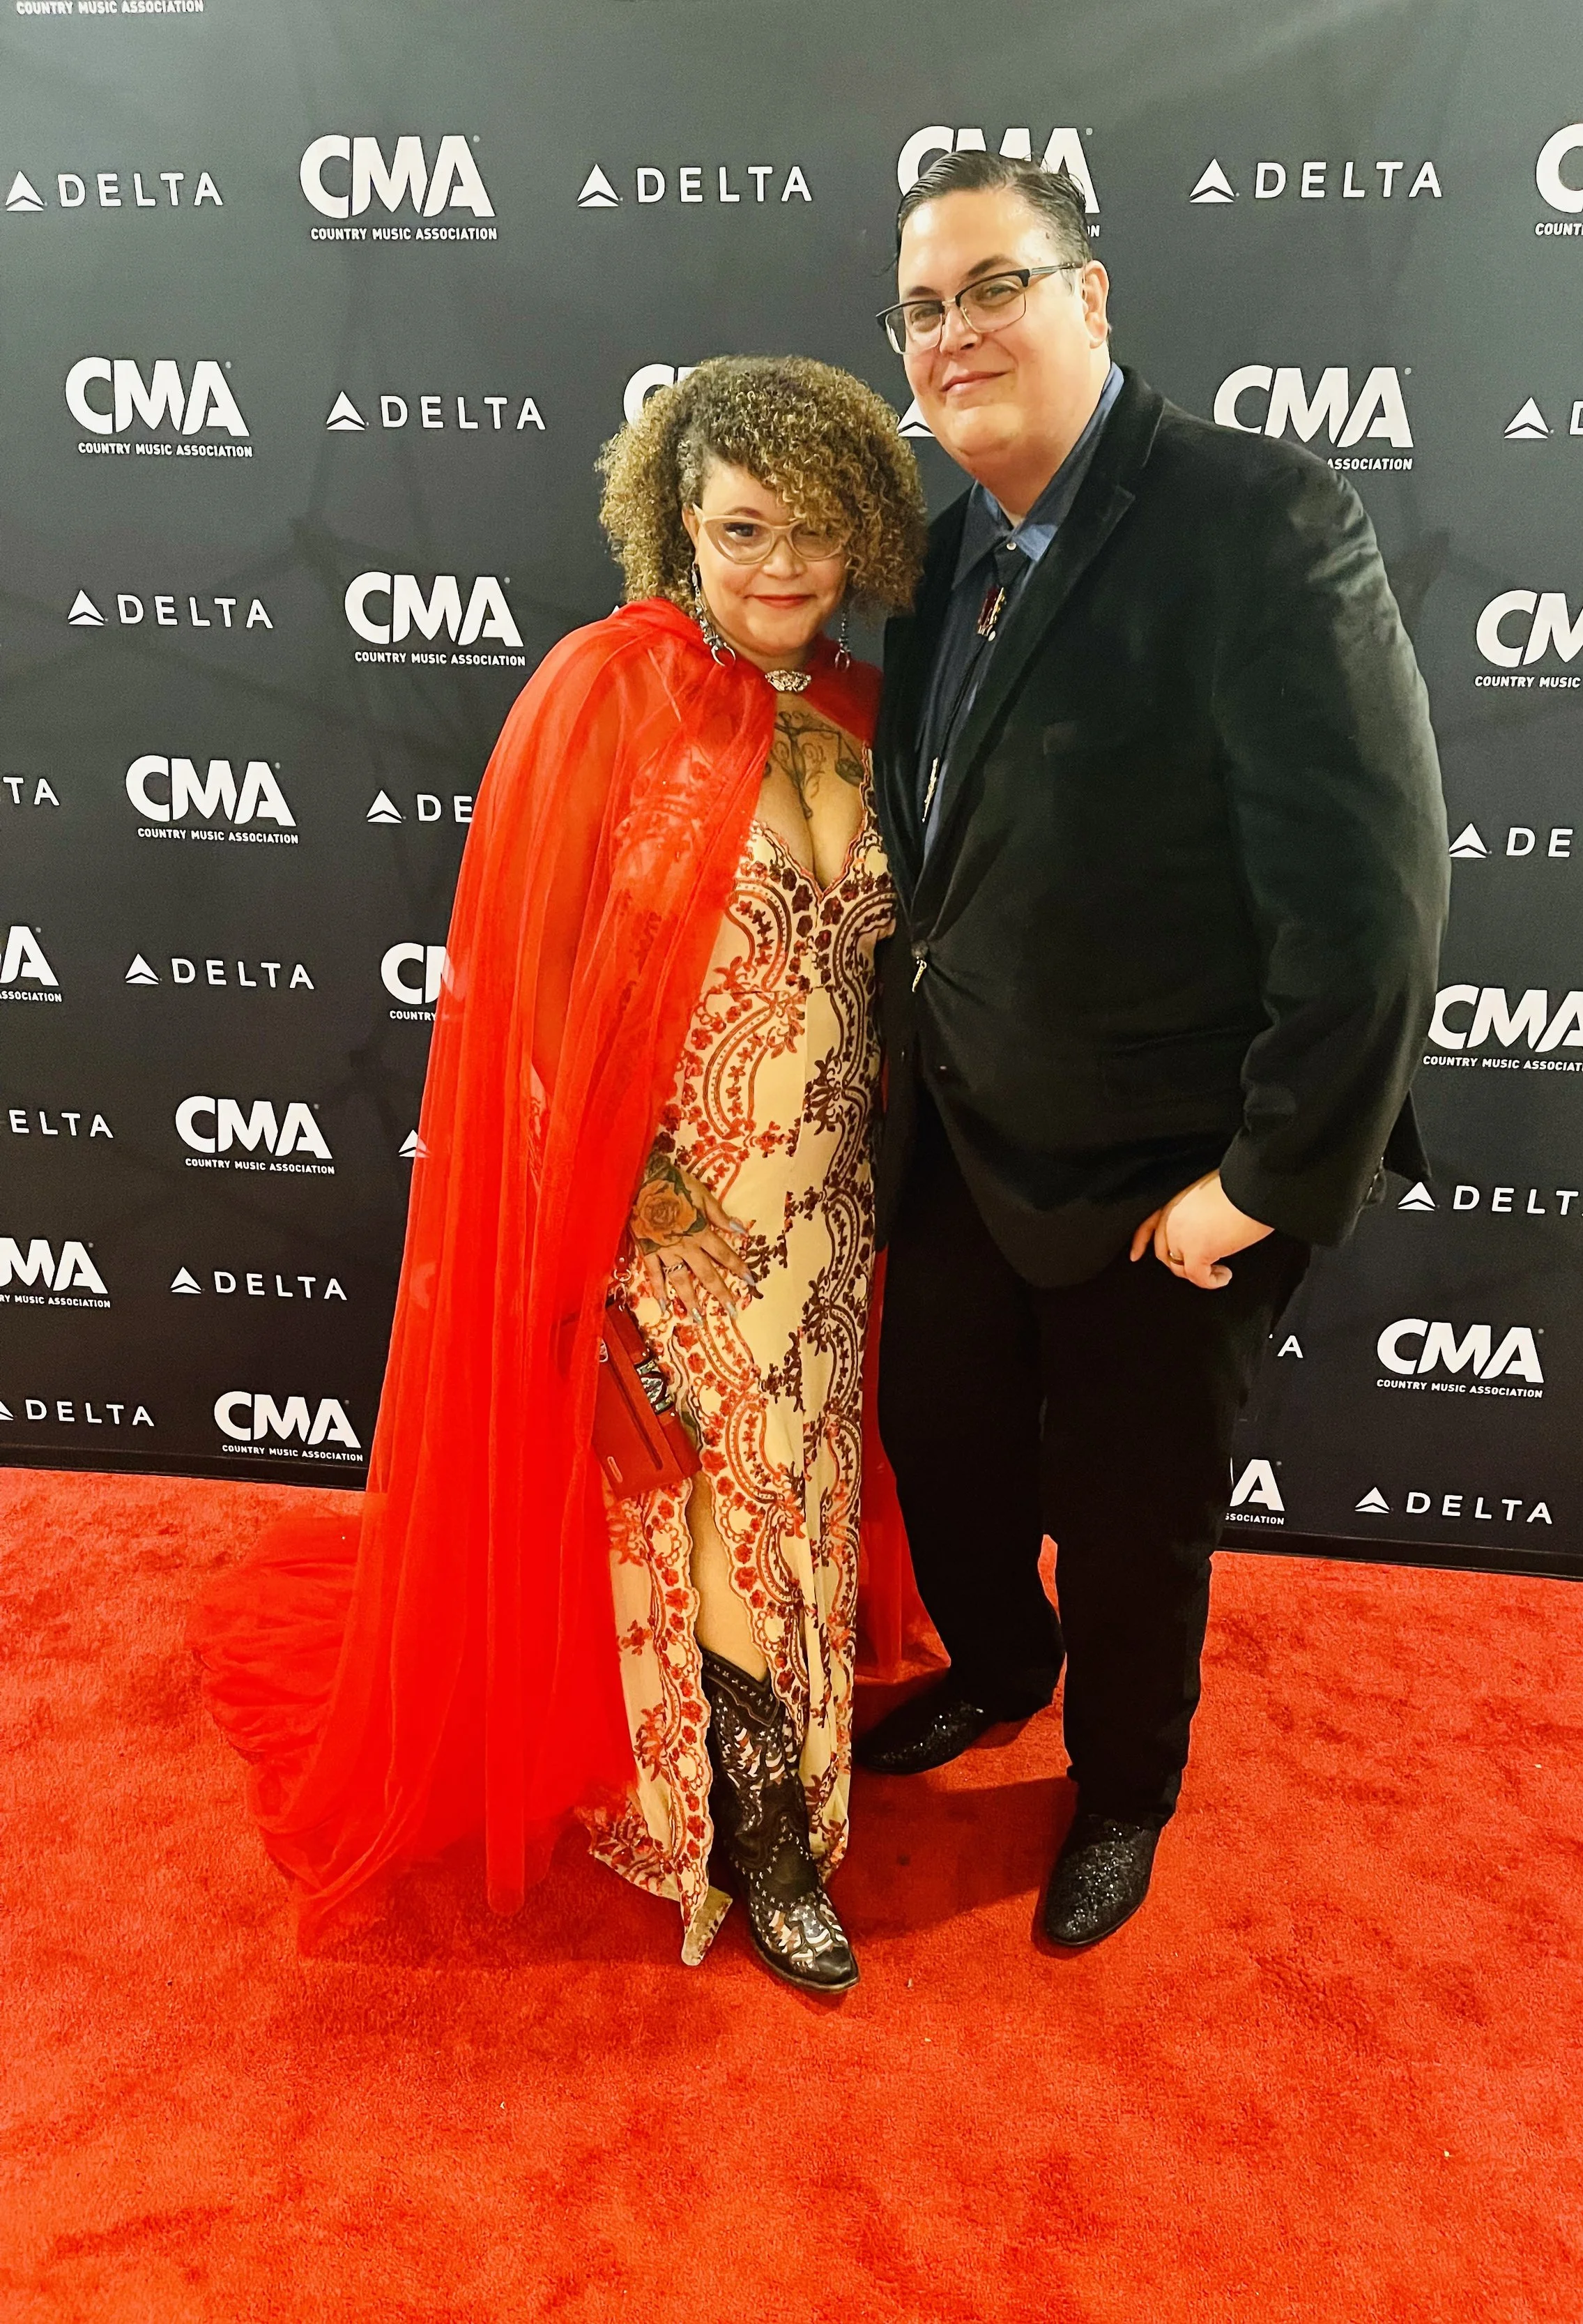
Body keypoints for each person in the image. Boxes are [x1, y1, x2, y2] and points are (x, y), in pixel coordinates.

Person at [189, 356, 928, 1994]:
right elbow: (523, 981)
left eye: (814, 529)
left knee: (798, 1496)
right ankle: (762, 1836)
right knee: (723, 1499)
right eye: (742, 528)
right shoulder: (608, 688)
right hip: (670, 1207)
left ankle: (779, 1773)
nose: (781, 564)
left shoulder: (876, 711)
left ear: (864, 530)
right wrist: (625, 1199)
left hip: (827, 1206)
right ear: (679, 520)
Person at [857, 151, 1449, 1949]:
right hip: (957, 1141)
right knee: (944, 1452)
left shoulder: (1256, 520)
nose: (954, 332)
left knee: (1133, 1523)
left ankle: (1122, 1785)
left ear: (1089, 296)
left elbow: (1367, 900)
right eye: (921, 307)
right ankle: (997, 1667)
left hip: (1161, 1176)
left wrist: (1255, 1185)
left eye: (993, 285)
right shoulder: (929, 554)